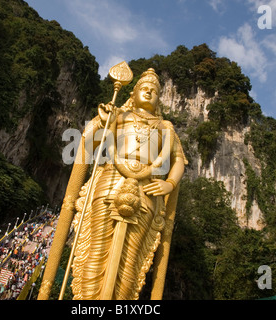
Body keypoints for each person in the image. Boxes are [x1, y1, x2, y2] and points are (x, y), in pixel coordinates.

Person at [39, 68, 187, 300]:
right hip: (111, 180)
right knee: (96, 248)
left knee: (131, 259)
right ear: (134, 93)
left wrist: (169, 183)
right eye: (144, 89)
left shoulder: (165, 127)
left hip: (147, 190)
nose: (149, 93)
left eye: (154, 92)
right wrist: (101, 122)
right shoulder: (119, 116)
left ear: (159, 99)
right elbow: (89, 142)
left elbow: (179, 160)